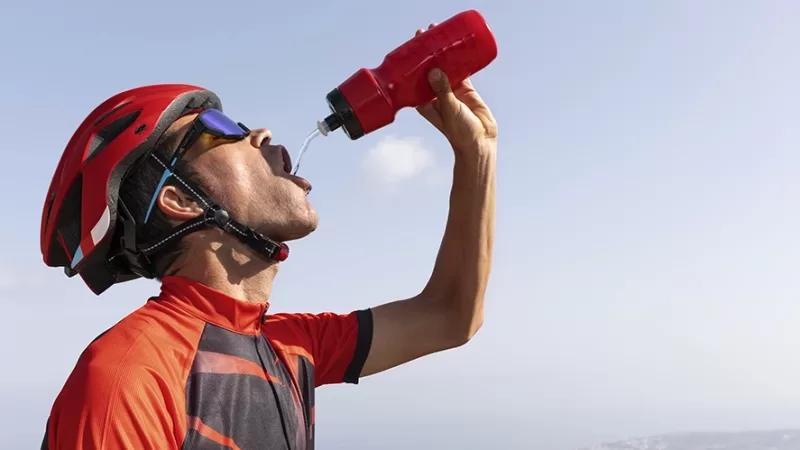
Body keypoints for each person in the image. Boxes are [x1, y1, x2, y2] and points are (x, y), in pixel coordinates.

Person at [39, 27, 497, 450]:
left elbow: (450, 315)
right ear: (180, 200)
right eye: (221, 130)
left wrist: (477, 152)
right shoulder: (130, 377)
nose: (260, 133)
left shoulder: (287, 343)